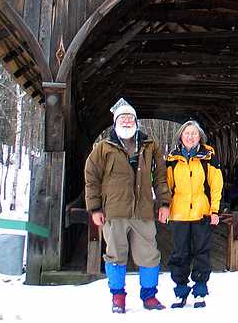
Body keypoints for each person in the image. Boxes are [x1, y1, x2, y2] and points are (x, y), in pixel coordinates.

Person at [84, 99, 171, 314]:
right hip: (114, 211)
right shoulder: (103, 148)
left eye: (130, 117)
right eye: (122, 118)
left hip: (143, 210)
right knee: (114, 254)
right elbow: (91, 178)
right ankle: (118, 297)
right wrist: (95, 208)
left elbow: (161, 177)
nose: (126, 120)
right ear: (115, 122)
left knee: (150, 254)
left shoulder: (150, 145)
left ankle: (149, 296)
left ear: (136, 121)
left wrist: (164, 203)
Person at [166, 119, 223, 309]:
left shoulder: (208, 157)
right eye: (187, 133)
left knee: (201, 252)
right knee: (179, 254)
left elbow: (216, 185)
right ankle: (181, 291)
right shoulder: (172, 159)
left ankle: (200, 290)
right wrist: (164, 206)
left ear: (200, 137)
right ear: (181, 136)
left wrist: (215, 210)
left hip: (201, 212)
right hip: (179, 213)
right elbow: (167, 187)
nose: (190, 136)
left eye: (194, 133)